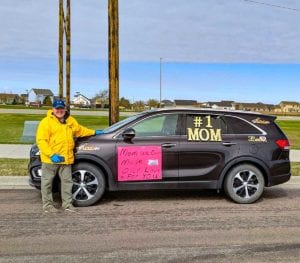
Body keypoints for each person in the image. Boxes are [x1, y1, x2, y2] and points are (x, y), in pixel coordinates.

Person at [36, 99, 103, 213]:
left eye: (61, 108)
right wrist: (52, 154)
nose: (59, 111)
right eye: (57, 109)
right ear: (53, 109)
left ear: (65, 109)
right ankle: (47, 206)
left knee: (67, 183)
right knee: (47, 183)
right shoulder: (46, 122)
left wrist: (94, 132)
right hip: (50, 159)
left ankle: (67, 205)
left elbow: (80, 130)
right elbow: (41, 141)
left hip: (66, 158)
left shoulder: (70, 121)